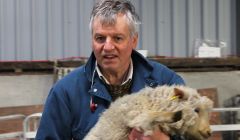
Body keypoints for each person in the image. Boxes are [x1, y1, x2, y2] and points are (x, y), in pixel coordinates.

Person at [36, 0, 185, 139]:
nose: (107, 47)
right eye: (100, 38)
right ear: (92, 40)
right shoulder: (65, 93)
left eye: (117, 38)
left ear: (133, 40)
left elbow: (191, 128)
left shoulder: (165, 83)